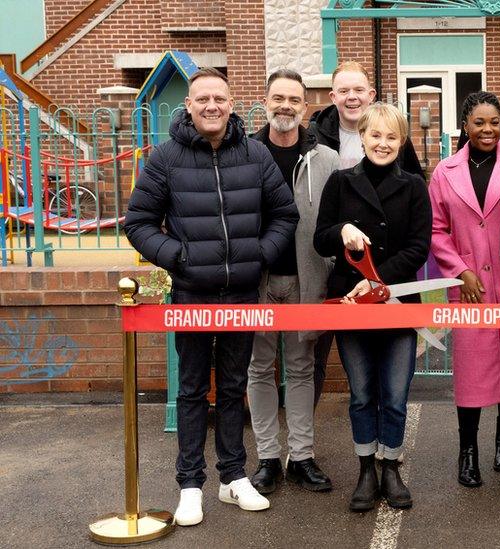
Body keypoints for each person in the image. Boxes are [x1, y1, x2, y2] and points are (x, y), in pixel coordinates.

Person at [124, 67, 299, 526]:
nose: (211, 106)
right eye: (202, 99)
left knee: (235, 387)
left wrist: (260, 254)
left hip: (242, 292)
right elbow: (138, 222)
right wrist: (178, 257)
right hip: (191, 294)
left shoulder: (255, 154)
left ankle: (232, 476)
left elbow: (285, 213)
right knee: (193, 389)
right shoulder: (165, 159)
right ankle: (189, 484)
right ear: (189, 105)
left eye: (219, 98)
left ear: (231, 102)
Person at [313, 102, 432, 512]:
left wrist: (380, 281)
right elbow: (320, 238)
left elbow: (419, 247)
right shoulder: (341, 182)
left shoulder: (415, 185)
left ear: (401, 142)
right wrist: (340, 229)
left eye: (391, 137)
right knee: (362, 395)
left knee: (395, 396)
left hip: (398, 305)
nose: (383, 143)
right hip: (352, 305)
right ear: (361, 136)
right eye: (375, 135)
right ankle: (366, 468)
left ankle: (391, 466)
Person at [429, 91, 500, 488]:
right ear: (465, 126)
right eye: (479, 123)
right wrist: (460, 270)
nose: (488, 130)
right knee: (472, 375)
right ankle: (467, 450)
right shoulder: (445, 171)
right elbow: (437, 231)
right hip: (469, 288)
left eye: (494, 122)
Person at [246, 69, 340, 496]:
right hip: (257, 279)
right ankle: (267, 457)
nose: (285, 106)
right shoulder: (244, 153)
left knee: (302, 370)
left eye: (294, 99)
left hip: (307, 278)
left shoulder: (327, 158)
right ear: (265, 101)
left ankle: (301, 456)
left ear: (305, 105)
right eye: (277, 97)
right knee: (259, 369)